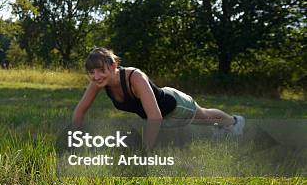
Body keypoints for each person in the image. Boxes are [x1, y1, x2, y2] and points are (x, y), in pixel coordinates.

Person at [72, 47, 245, 139]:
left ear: (113, 66)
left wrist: (147, 154)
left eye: (100, 70)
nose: (96, 76)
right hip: (162, 113)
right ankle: (226, 126)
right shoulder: (99, 81)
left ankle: (234, 123)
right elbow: (80, 110)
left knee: (206, 117)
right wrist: (74, 139)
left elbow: (155, 117)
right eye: (91, 72)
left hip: (177, 107)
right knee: (206, 119)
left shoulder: (135, 77)